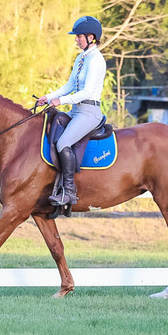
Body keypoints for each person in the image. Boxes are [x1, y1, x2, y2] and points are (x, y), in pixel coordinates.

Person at [36, 15, 107, 206]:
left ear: (91, 37)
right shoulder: (81, 58)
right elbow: (69, 86)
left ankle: (69, 192)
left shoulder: (96, 60)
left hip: (89, 112)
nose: (76, 39)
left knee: (63, 143)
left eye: (79, 36)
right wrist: (48, 97)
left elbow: (87, 92)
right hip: (76, 111)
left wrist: (61, 101)